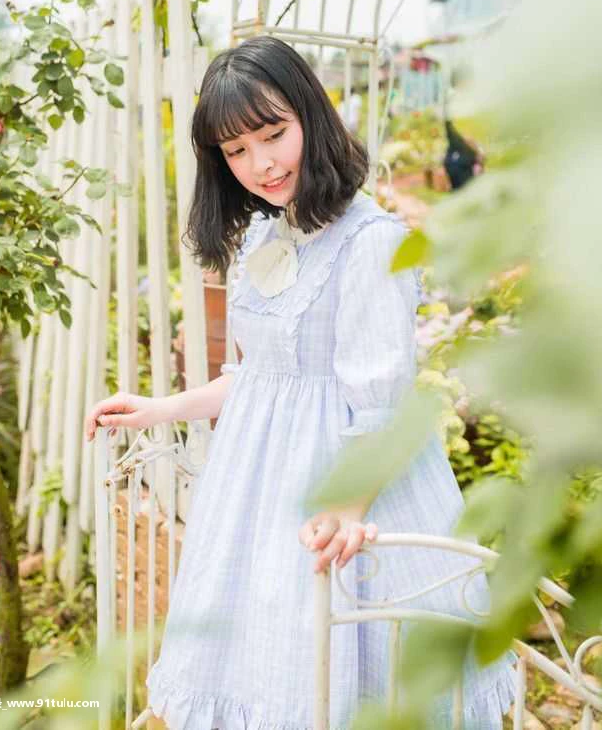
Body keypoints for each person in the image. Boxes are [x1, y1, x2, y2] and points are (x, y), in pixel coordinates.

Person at [85, 37, 516, 730]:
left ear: (311, 116)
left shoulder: (371, 240)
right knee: (268, 669)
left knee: (347, 674)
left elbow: (380, 403)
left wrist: (347, 509)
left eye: (273, 134)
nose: (260, 163)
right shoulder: (265, 235)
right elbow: (262, 381)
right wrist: (159, 409)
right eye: (236, 150)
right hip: (259, 492)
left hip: (349, 488)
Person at [443, 118, 485, 190]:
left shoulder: (473, 155)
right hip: (458, 185)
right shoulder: (456, 153)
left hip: (470, 185)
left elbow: (480, 162)